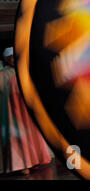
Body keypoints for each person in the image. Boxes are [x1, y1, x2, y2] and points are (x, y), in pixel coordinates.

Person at [0, 47, 52, 176]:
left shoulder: (25, 71)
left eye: (14, 56)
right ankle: (22, 164)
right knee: (17, 138)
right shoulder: (3, 75)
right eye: (10, 57)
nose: (13, 59)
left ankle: (35, 160)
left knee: (31, 135)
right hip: (12, 113)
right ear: (6, 59)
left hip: (26, 110)